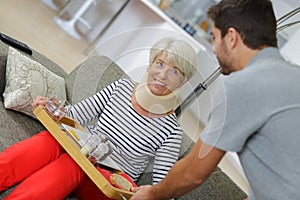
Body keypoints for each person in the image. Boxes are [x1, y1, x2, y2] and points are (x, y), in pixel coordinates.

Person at [130, 0, 300, 199]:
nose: (214, 49)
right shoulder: (292, 76)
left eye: (214, 38)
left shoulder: (245, 84)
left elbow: (192, 173)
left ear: (231, 38)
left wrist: (152, 194)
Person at [0, 37, 198, 199]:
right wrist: (51, 107)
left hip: (111, 181)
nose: (162, 75)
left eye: (174, 71)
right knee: (50, 140)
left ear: (182, 82)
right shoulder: (121, 87)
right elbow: (74, 115)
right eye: (159, 63)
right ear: (150, 65)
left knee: (73, 163)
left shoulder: (171, 131)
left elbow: (163, 189)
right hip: (85, 149)